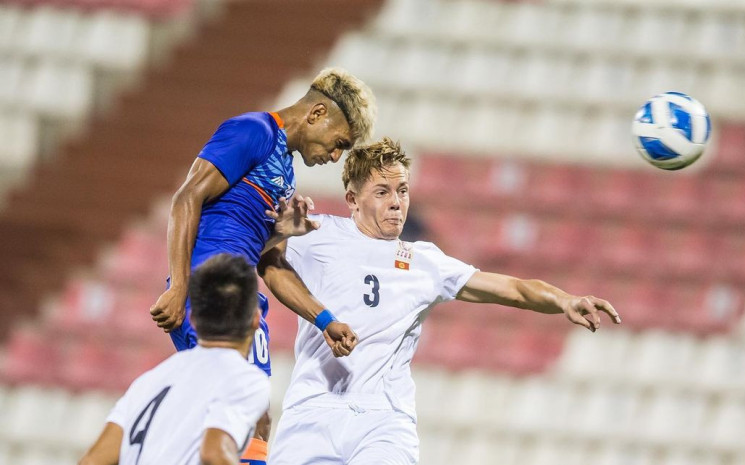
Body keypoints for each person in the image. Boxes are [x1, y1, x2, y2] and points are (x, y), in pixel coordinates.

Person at [258, 138, 622, 464]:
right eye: (382, 192)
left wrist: (564, 300)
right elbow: (249, 257)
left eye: (402, 191)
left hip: (383, 419)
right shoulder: (315, 233)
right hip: (312, 409)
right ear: (352, 200)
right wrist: (276, 234)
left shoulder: (425, 261)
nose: (396, 203)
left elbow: (514, 289)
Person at [148, 67, 374, 464]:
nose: (336, 156)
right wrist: (180, 286)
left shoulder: (285, 175)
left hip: (242, 297)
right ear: (317, 113)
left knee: (236, 418)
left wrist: (325, 320)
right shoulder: (253, 131)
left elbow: (271, 265)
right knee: (247, 413)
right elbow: (187, 197)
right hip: (213, 290)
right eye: (339, 143)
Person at [80, 254, 271, 465]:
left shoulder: (149, 381)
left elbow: (91, 461)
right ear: (256, 318)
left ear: (193, 319)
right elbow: (213, 452)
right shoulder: (244, 379)